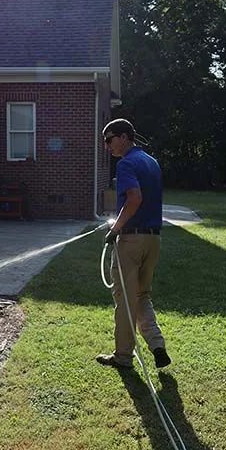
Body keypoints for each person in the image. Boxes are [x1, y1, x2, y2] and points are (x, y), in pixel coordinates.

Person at [97, 118, 171, 370]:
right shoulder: (151, 162)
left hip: (132, 240)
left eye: (109, 140)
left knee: (125, 300)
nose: (107, 147)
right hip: (153, 239)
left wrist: (115, 229)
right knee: (142, 295)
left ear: (124, 137)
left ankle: (123, 357)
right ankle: (157, 345)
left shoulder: (126, 163)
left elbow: (135, 199)